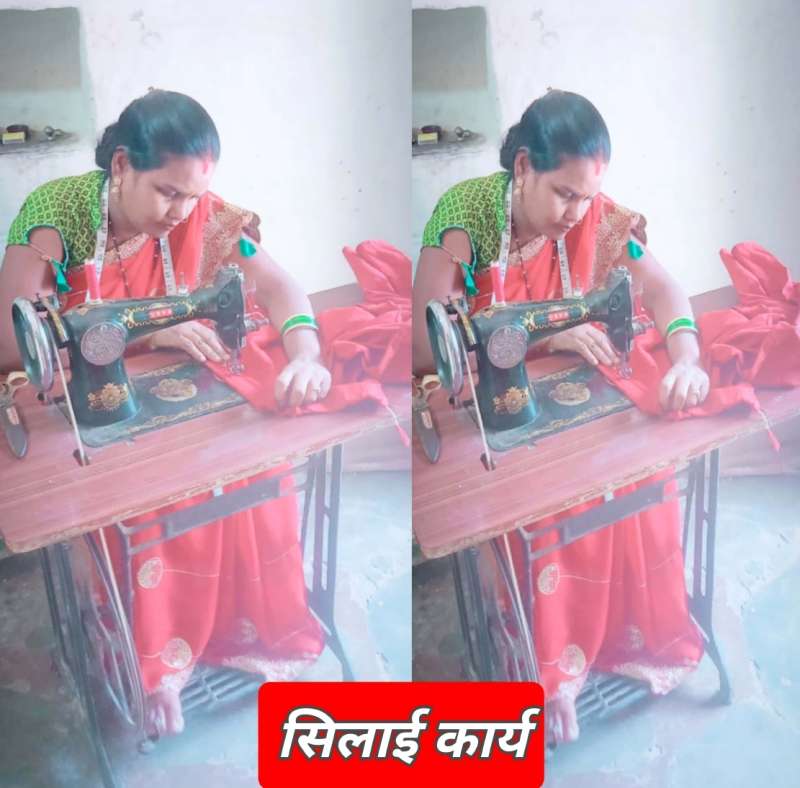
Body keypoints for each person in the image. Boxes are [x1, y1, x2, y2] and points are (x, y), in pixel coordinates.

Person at [0, 90, 332, 737]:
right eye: (167, 193)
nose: (181, 213)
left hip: (167, 378)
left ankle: (240, 633)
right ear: (122, 164)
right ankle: (153, 666)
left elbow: (280, 286)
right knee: (145, 496)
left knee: (253, 465)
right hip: (81, 386)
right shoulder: (55, 216)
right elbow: (14, 341)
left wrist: (306, 355)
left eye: (191, 196)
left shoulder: (200, 214)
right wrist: (149, 329)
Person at [412, 90, 710, 743]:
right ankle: (549, 672)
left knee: (639, 470)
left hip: (567, 385)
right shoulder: (465, 215)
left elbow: (663, 288)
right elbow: (425, 343)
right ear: (523, 167)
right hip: (490, 395)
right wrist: (546, 335)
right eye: (565, 194)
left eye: (587, 197)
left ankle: (628, 640)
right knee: (543, 503)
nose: (577, 214)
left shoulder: (594, 217)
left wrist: (686, 357)